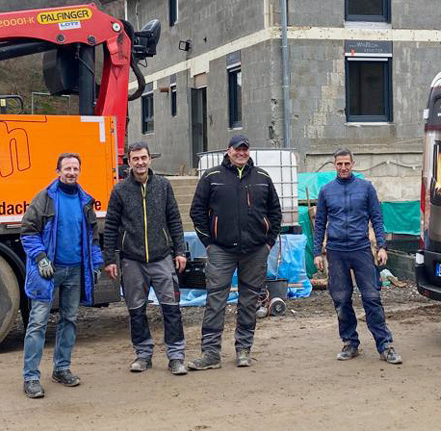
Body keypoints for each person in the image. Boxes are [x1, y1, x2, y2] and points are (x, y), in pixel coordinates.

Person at [188, 134, 282, 370]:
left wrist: (268, 243)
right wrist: (209, 243)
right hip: (221, 250)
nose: (241, 153)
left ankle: (243, 350)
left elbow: (275, 213)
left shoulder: (262, 177)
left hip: (255, 250)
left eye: (245, 149)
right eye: (237, 149)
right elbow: (196, 211)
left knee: (249, 301)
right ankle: (211, 354)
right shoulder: (212, 177)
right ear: (228, 150)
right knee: (215, 301)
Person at [20, 152, 103, 399]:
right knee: (37, 323)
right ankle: (31, 377)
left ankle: (62, 368)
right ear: (58, 171)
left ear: (79, 171)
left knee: (70, 320)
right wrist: (40, 257)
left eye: (75, 168)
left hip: (75, 271)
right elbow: (28, 231)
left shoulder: (85, 200)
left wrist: (96, 264)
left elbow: (93, 238)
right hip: (49, 272)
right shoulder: (44, 198)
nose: (71, 172)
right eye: (67, 168)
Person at [103, 142, 188, 375]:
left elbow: (174, 220)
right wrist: (110, 259)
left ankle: (176, 356)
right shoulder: (120, 190)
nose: (140, 162)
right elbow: (110, 226)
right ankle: (143, 355)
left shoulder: (163, 186)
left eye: (143, 158)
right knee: (136, 310)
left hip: (162, 258)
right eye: (135, 159)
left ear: (150, 159)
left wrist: (180, 251)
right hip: (132, 260)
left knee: (171, 308)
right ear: (128, 162)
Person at [313, 148, 402, 365]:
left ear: (353, 164)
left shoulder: (366, 188)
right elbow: (319, 223)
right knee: (342, 300)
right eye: (339, 164)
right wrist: (317, 252)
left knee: (372, 297)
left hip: (361, 249)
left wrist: (382, 246)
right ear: (334, 165)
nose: (343, 167)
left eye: (347, 164)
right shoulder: (326, 191)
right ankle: (350, 343)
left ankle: (385, 345)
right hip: (336, 252)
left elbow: (377, 218)